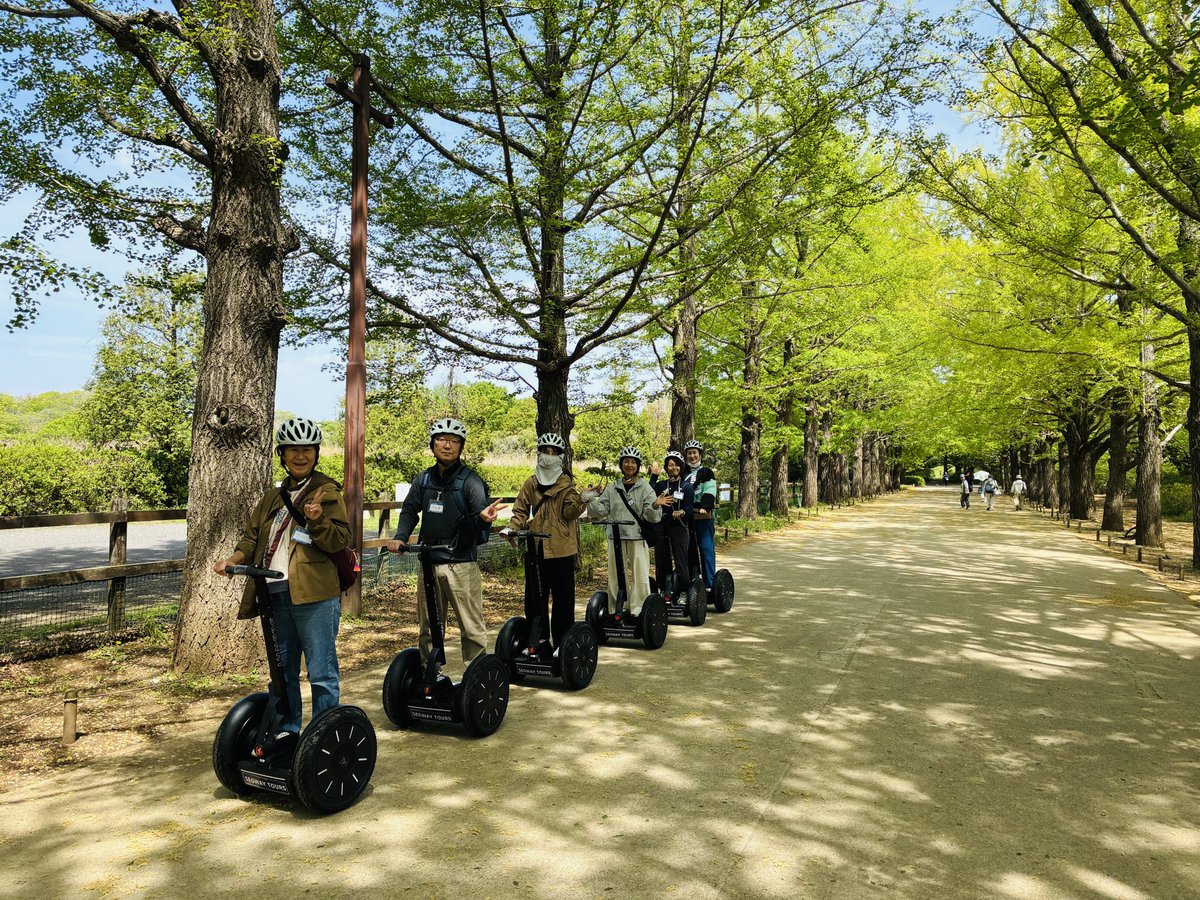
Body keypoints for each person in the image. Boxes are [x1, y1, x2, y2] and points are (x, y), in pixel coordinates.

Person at [212, 416, 351, 737]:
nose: (300, 456)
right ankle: (287, 732)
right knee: (282, 671)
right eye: (292, 450)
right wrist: (231, 560)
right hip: (274, 593)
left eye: (306, 450)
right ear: (282, 455)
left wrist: (317, 521)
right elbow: (251, 538)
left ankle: (322, 736)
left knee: (321, 672)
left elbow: (339, 541)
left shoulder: (327, 492)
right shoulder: (272, 497)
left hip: (315, 596)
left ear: (316, 453)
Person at [385, 418, 504, 666]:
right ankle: (431, 674)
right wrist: (400, 537)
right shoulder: (424, 480)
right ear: (432, 445)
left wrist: (484, 519)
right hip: (428, 561)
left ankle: (476, 677)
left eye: (454, 441)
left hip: (460, 564)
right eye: (441, 439)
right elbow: (409, 510)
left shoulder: (471, 481)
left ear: (461, 447)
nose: (447, 445)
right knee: (428, 625)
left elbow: (482, 516)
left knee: (470, 626)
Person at [500, 432, 587, 655]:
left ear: (560, 456)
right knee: (534, 599)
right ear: (539, 454)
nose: (549, 456)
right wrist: (513, 528)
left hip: (562, 549)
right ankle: (538, 640)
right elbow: (520, 509)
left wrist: (582, 499)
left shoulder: (567, 484)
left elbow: (570, 514)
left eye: (554, 452)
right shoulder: (531, 482)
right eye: (545, 451)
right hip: (536, 548)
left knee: (563, 600)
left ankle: (562, 644)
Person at [583, 447, 662, 616]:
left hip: (637, 536)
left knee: (640, 574)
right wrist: (589, 500)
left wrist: (655, 505)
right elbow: (602, 509)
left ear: (638, 466)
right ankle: (616, 608)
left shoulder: (645, 487)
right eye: (626, 461)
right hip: (615, 536)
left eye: (633, 462)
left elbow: (652, 516)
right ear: (621, 464)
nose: (630, 465)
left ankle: (639, 609)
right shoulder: (613, 488)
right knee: (614, 574)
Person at [649, 450, 694, 595]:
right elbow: (648, 494)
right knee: (661, 560)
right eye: (670, 465)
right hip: (661, 526)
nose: (673, 468)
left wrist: (681, 512)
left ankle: (683, 592)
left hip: (679, 526)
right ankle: (663, 590)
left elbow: (688, 506)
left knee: (680, 562)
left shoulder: (686, 486)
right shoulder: (662, 485)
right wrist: (654, 476)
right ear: (666, 467)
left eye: (676, 465)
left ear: (681, 467)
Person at [683, 439, 718, 589]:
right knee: (688, 548)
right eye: (689, 453)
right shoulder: (682, 472)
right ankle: (693, 580)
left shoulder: (707, 472)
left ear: (700, 455)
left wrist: (705, 505)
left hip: (702, 515)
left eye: (694, 453)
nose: (692, 456)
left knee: (706, 547)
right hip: (685, 516)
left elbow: (710, 490)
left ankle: (709, 582)